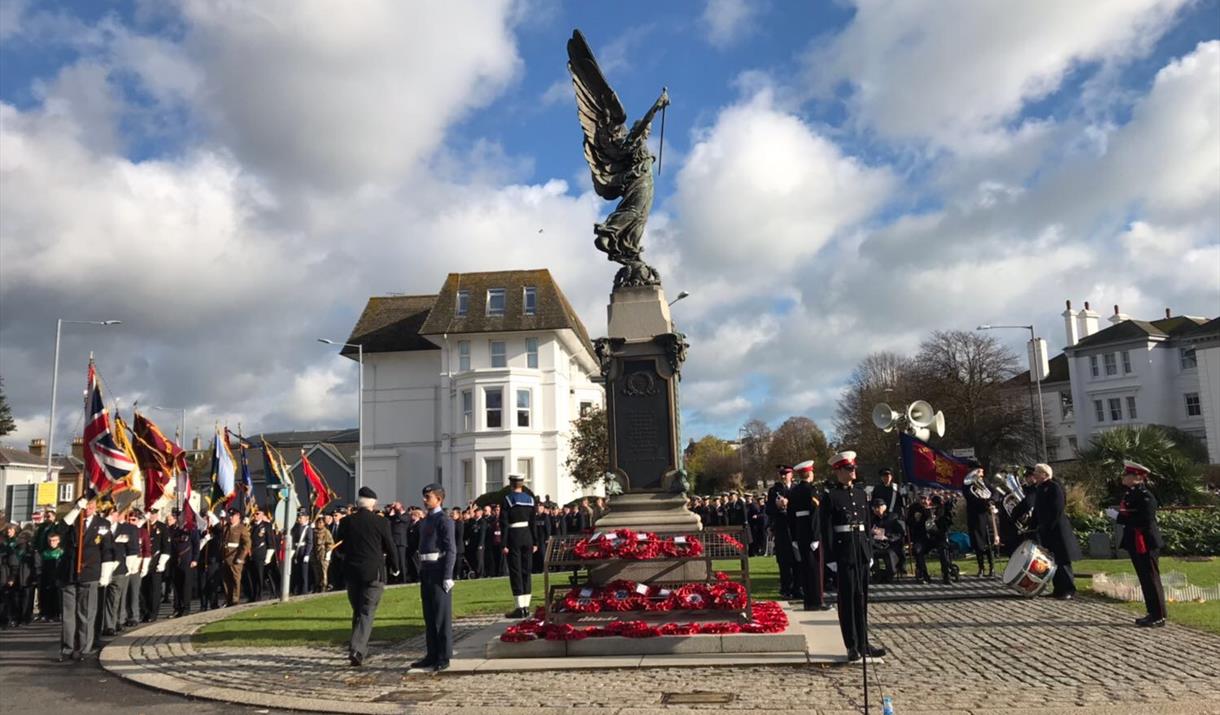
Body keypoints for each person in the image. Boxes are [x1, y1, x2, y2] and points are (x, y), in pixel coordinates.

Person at [820, 450, 884, 663]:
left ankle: (864, 642)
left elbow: (866, 523)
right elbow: (826, 528)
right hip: (844, 551)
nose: (853, 471)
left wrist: (870, 551)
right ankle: (851, 645)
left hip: (861, 550)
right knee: (847, 600)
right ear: (839, 471)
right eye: (849, 469)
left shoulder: (859, 494)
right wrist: (830, 558)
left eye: (853, 467)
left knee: (862, 598)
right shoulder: (830, 496)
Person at [334, 486, 400, 667]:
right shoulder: (381, 522)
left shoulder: (347, 522)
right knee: (367, 611)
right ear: (373, 504)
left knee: (358, 610)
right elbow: (390, 545)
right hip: (373, 572)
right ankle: (357, 649)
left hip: (352, 572)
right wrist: (395, 566)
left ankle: (357, 646)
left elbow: (339, 546)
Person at [1109, 460, 1166, 626]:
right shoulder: (1131, 493)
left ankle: (1159, 615)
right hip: (1135, 540)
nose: (1124, 477)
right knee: (1144, 578)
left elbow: (1145, 519)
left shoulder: (1145, 496)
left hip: (1145, 540)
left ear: (1138, 477)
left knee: (1151, 578)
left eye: (1128, 475)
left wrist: (1118, 517)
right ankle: (1151, 612)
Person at [58, 493, 114, 661]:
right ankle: (67, 648)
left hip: (90, 573)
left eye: (91, 506)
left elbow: (107, 550)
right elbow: (59, 530)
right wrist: (76, 510)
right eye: (85, 506)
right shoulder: (72, 520)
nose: (88, 510)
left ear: (96, 507)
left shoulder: (102, 524)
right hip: (69, 574)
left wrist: (105, 574)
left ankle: (83, 648)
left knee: (86, 614)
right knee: (68, 615)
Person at [411, 483, 456, 672]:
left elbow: (451, 549)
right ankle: (432, 653)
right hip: (427, 570)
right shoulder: (426, 520)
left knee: (441, 616)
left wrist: (447, 575)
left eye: (428, 497)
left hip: (438, 570)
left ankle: (443, 655)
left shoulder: (443, 520)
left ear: (439, 499)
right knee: (429, 616)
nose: (424, 500)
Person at [1029, 463, 1081, 599]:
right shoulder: (1040, 488)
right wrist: (1033, 525)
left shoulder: (1054, 487)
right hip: (1047, 530)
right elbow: (1038, 510)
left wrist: (1047, 526)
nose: (1034, 474)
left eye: (1037, 472)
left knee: (1063, 560)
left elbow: (1057, 510)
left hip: (1057, 529)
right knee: (1053, 561)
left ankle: (1069, 589)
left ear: (1045, 474)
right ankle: (1058, 589)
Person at [788, 460, 827, 611]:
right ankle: (817, 601)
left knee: (805, 567)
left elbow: (790, 516)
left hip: (799, 531)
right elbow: (815, 515)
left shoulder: (794, 491)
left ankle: (808, 601)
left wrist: (794, 537)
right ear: (810, 473)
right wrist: (816, 536)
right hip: (811, 532)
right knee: (816, 569)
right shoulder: (812, 490)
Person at [500, 473, 537, 619]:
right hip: (527, 535)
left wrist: (503, 543)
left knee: (515, 571)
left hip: (513, 535)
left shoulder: (507, 499)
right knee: (526, 570)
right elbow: (533, 522)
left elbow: (504, 523)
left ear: (511, 484)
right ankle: (527, 605)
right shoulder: (530, 499)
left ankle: (519, 607)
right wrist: (534, 541)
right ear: (522, 484)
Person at [766, 466, 799, 599]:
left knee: (798, 559)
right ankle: (786, 588)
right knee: (784, 560)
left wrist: (789, 503)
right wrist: (776, 504)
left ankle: (798, 587)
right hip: (781, 529)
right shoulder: (774, 490)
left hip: (796, 528)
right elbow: (768, 510)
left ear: (791, 474)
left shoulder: (796, 489)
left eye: (786, 474)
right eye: (782, 474)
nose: (784, 476)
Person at [963, 463, 998, 577]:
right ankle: (981, 567)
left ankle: (992, 567)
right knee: (978, 542)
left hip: (986, 515)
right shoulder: (967, 484)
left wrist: (991, 500)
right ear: (975, 471)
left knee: (989, 541)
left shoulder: (985, 482)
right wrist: (985, 502)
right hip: (975, 516)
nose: (982, 474)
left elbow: (995, 492)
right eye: (980, 472)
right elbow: (970, 497)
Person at [170, 513, 199, 617]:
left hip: (187, 561)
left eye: (181, 517)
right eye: (178, 517)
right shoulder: (174, 530)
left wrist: (195, 559)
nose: (179, 519)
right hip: (175, 561)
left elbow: (196, 545)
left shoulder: (191, 530)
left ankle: (186, 608)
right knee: (176, 586)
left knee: (186, 586)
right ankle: (177, 608)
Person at [869, 499, 905, 583]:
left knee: (889, 554)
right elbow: (868, 532)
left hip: (891, 545)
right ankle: (877, 575)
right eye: (874, 508)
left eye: (878, 507)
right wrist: (871, 532)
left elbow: (900, 534)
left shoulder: (893, 517)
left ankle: (888, 575)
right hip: (877, 544)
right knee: (870, 552)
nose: (876, 510)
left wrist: (887, 537)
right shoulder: (873, 519)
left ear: (884, 507)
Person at [221, 510, 251, 606]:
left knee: (235, 579)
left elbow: (247, 543)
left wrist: (241, 557)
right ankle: (228, 599)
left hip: (235, 557)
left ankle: (235, 599)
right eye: (229, 516)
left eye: (232, 516)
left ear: (238, 516)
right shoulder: (226, 527)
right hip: (225, 557)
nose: (230, 518)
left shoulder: (241, 528)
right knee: (226, 580)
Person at [906, 493, 933, 583]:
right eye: (922, 498)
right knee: (918, 550)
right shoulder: (914, 508)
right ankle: (923, 574)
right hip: (920, 537)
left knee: (943, 547)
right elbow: (908, 522)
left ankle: (946, 573)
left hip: (934, 537)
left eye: (926, 499)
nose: (923, 501)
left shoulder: (934, 507)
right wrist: (915, 520)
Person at [38, 531, 64, 622]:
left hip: (57, 576)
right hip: (46, 577)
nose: (52, 543)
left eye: (54, 540)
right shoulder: (45, 553)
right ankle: (46, 613)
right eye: (50, 541)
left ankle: (57, 613)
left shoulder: (61, 552)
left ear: (59, 541)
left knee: (57, 595)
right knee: (46, 595)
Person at [290, 512, 313, 595]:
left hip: (303, 551)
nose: (299, 519)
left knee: (304, 573)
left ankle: (304, 590)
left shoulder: (308, 528)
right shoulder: (295, 527)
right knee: (297, 572)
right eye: (298, 517)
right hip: (297, 551)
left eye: (301, 517)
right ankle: (298, 590)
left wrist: (307, 554)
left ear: (306, 518)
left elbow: (310, 542)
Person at [312, 515, 334, 593]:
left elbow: (330, 543)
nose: (319, 524)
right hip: (315, 554)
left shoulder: (326, 532)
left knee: (323, 571)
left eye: (321, 522)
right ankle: (317, 585)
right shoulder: (313, 532)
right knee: (316, 570)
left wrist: (328, 554)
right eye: (317, 522)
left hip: (323, 553)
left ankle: (323, 585)